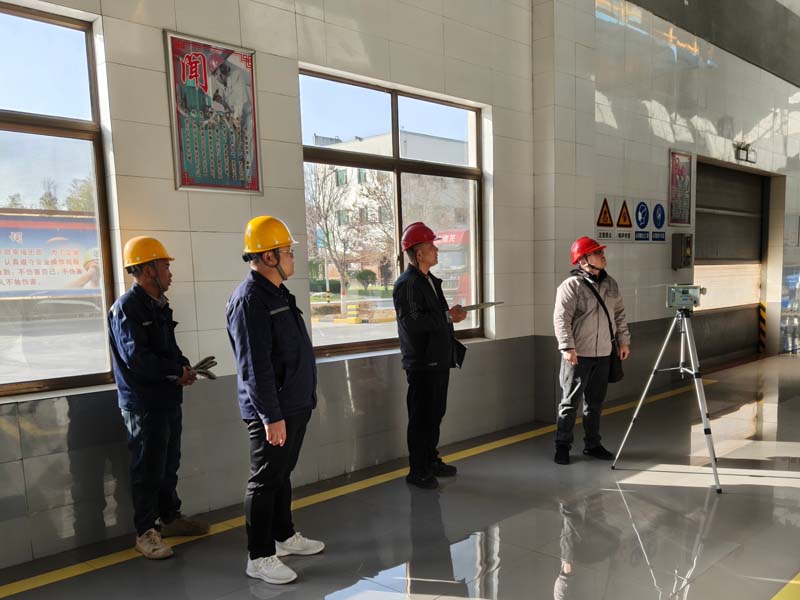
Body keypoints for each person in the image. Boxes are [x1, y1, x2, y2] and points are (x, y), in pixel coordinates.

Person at [227, 216, 324, 585]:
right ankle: (259, 556)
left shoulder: (277, 293)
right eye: (288, 252)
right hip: (272, 411)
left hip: (292, 405)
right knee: (265, 480)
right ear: (268, 257)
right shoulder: (250, 300)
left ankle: (283, 536)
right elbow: (255, 367)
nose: (293, 258)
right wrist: (270, 416)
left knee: (281, 474)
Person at [108, 236, 208, 560]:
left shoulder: (159, 306)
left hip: (166, 398)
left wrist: (184, 367)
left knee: (168, 463)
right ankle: (145, 532)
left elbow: (168, 350)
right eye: (165, 266)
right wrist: (173, 372)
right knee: (147, 468)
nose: (170, 273)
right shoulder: (127, 308)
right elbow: (137, 359)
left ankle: (169, 517)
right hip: (143, 404)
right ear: (148, 270)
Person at [393, 222, 467, 490]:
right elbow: (413, 322)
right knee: (421, 417)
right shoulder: (407, 285)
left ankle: (430, 460)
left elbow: (435, 318)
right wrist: (447, 317)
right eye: (432, 246)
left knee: (435, 413)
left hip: (438, 359)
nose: (437, 250)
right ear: (419, 253)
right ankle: (418, 470)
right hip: (422, 363)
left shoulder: (429, 281)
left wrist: (449, 317)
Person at [553, 236, 631, 465]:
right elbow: (561, 319)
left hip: (604, 354)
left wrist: (623, 341)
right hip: (578, 355)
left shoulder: (611, 284)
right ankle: (562, 446)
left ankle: (593, 444)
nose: (603, 256)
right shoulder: (571, 286)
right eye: (597, 253)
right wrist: (567, 347)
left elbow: (619, 315)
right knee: (569, 403)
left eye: (601, 252)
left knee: (595, 403)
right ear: (583, 260)